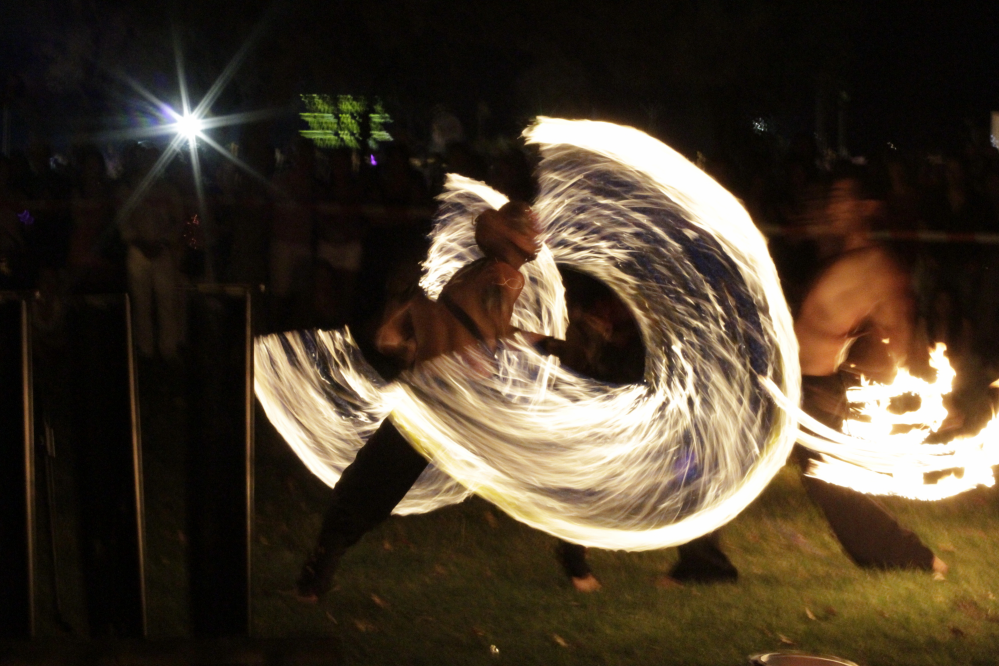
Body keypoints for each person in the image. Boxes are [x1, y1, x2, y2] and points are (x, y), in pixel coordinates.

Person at [672, 173, 946, 581]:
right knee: (725, 460)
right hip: (785, 385)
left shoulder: (876, 266)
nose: (832, 209)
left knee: (820, 486)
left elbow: (898, 336)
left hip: (807, 393)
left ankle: (915, 559)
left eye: (842, 200)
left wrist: (899, 390)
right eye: (830, 200)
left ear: (867, 209)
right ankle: (703, 566)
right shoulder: (832, 254)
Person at [296, 201, 542, 601]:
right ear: (514, 240)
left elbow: (408, 331)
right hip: (450, 404)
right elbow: (491, 329)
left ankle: (322, 561)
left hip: (428, 396)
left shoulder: (466, 275)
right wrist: (523, 342)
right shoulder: (508, 277)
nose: (539, 238)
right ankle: (323, 562)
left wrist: (412, 340)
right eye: (532, 231)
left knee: (368, 483)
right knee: (375, 483)